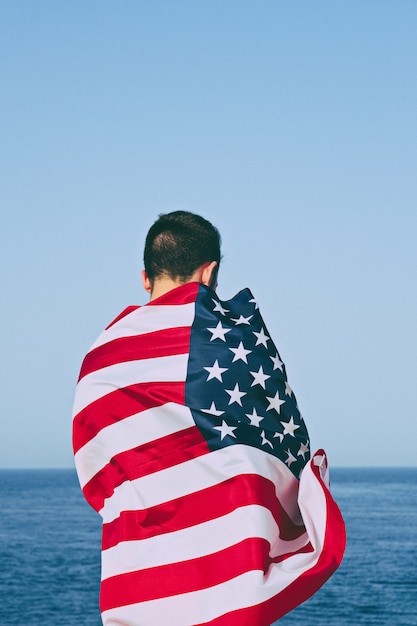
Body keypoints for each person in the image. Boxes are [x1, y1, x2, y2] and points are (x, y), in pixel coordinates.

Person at [73, 210, 345, 626]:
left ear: (146, 277)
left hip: (133, 590)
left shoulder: (99, 359)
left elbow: (97, 481)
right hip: (218, 592)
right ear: (209, 272)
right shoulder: (231, 341)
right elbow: (283, 444)